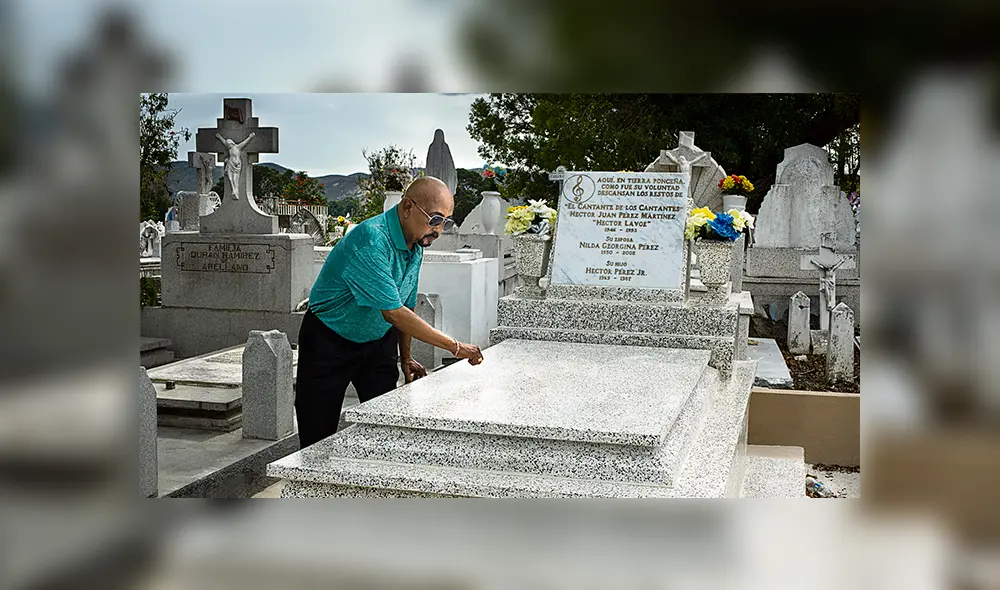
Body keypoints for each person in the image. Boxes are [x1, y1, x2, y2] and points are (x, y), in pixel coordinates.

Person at [295, 176, 484, 449]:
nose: (439, 231)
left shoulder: (415, 243)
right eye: (434, 220)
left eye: (445, 221)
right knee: (317, 435)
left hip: (377, 341)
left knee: (385, 427)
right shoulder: (372, 240)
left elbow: (405, 305)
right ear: (407, 207)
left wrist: (405, 358)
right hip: (330, 339)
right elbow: (394, 313)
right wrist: (455, 347)